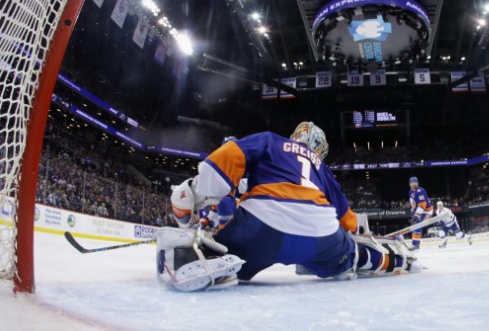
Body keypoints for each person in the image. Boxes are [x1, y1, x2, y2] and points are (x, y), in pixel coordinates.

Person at [160, 122, 418, 291]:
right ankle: (392, 260)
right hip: (321, 237)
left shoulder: (270, 141)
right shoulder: (321, 166)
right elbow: (346, 217)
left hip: (262, 230)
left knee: (227, 246)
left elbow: (224, 160)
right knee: (349, 254)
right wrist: (350, 236)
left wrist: (206, 200)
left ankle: (194, 255)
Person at [408, 176, 432, 250]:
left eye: (415, 182)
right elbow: (413, 203)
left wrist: (416, 215)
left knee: (418, 225)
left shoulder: (420, 191)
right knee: (414, 226)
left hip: (426, 211)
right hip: (419, 211)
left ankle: (414, 244)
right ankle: (416, 244)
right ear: (409, 184)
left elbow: (423, 204)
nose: (414, 184)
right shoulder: (410, 191)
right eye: (412, 182)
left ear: (418, 183)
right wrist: (413, 212)